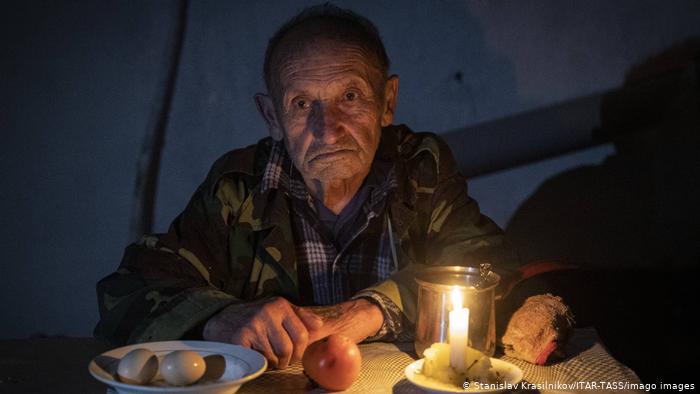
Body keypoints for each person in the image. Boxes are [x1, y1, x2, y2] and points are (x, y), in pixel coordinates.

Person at [95, 4, 516, 369]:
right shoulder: (238, 189)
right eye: (301, 104)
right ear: (272, 117)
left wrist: (370, 310)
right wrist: (220, 316)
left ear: (387, 102)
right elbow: (127, 287)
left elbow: (488, 263)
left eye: (349, 96)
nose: (328, 130)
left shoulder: (420, 167)